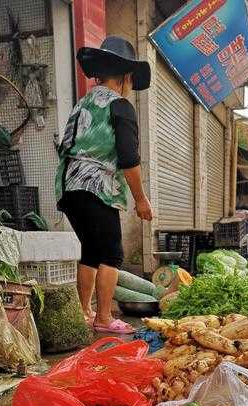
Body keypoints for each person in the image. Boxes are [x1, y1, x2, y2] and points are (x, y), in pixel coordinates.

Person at [56, 36, 153, 334]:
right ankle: (104, 318)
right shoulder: (120, 106)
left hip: (68, 187)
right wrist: (141, 199)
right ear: (125, 77)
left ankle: (84, 312)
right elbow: (128, 158)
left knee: (91, 251)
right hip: (95, 186)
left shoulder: (81, 104)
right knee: (111, 253)